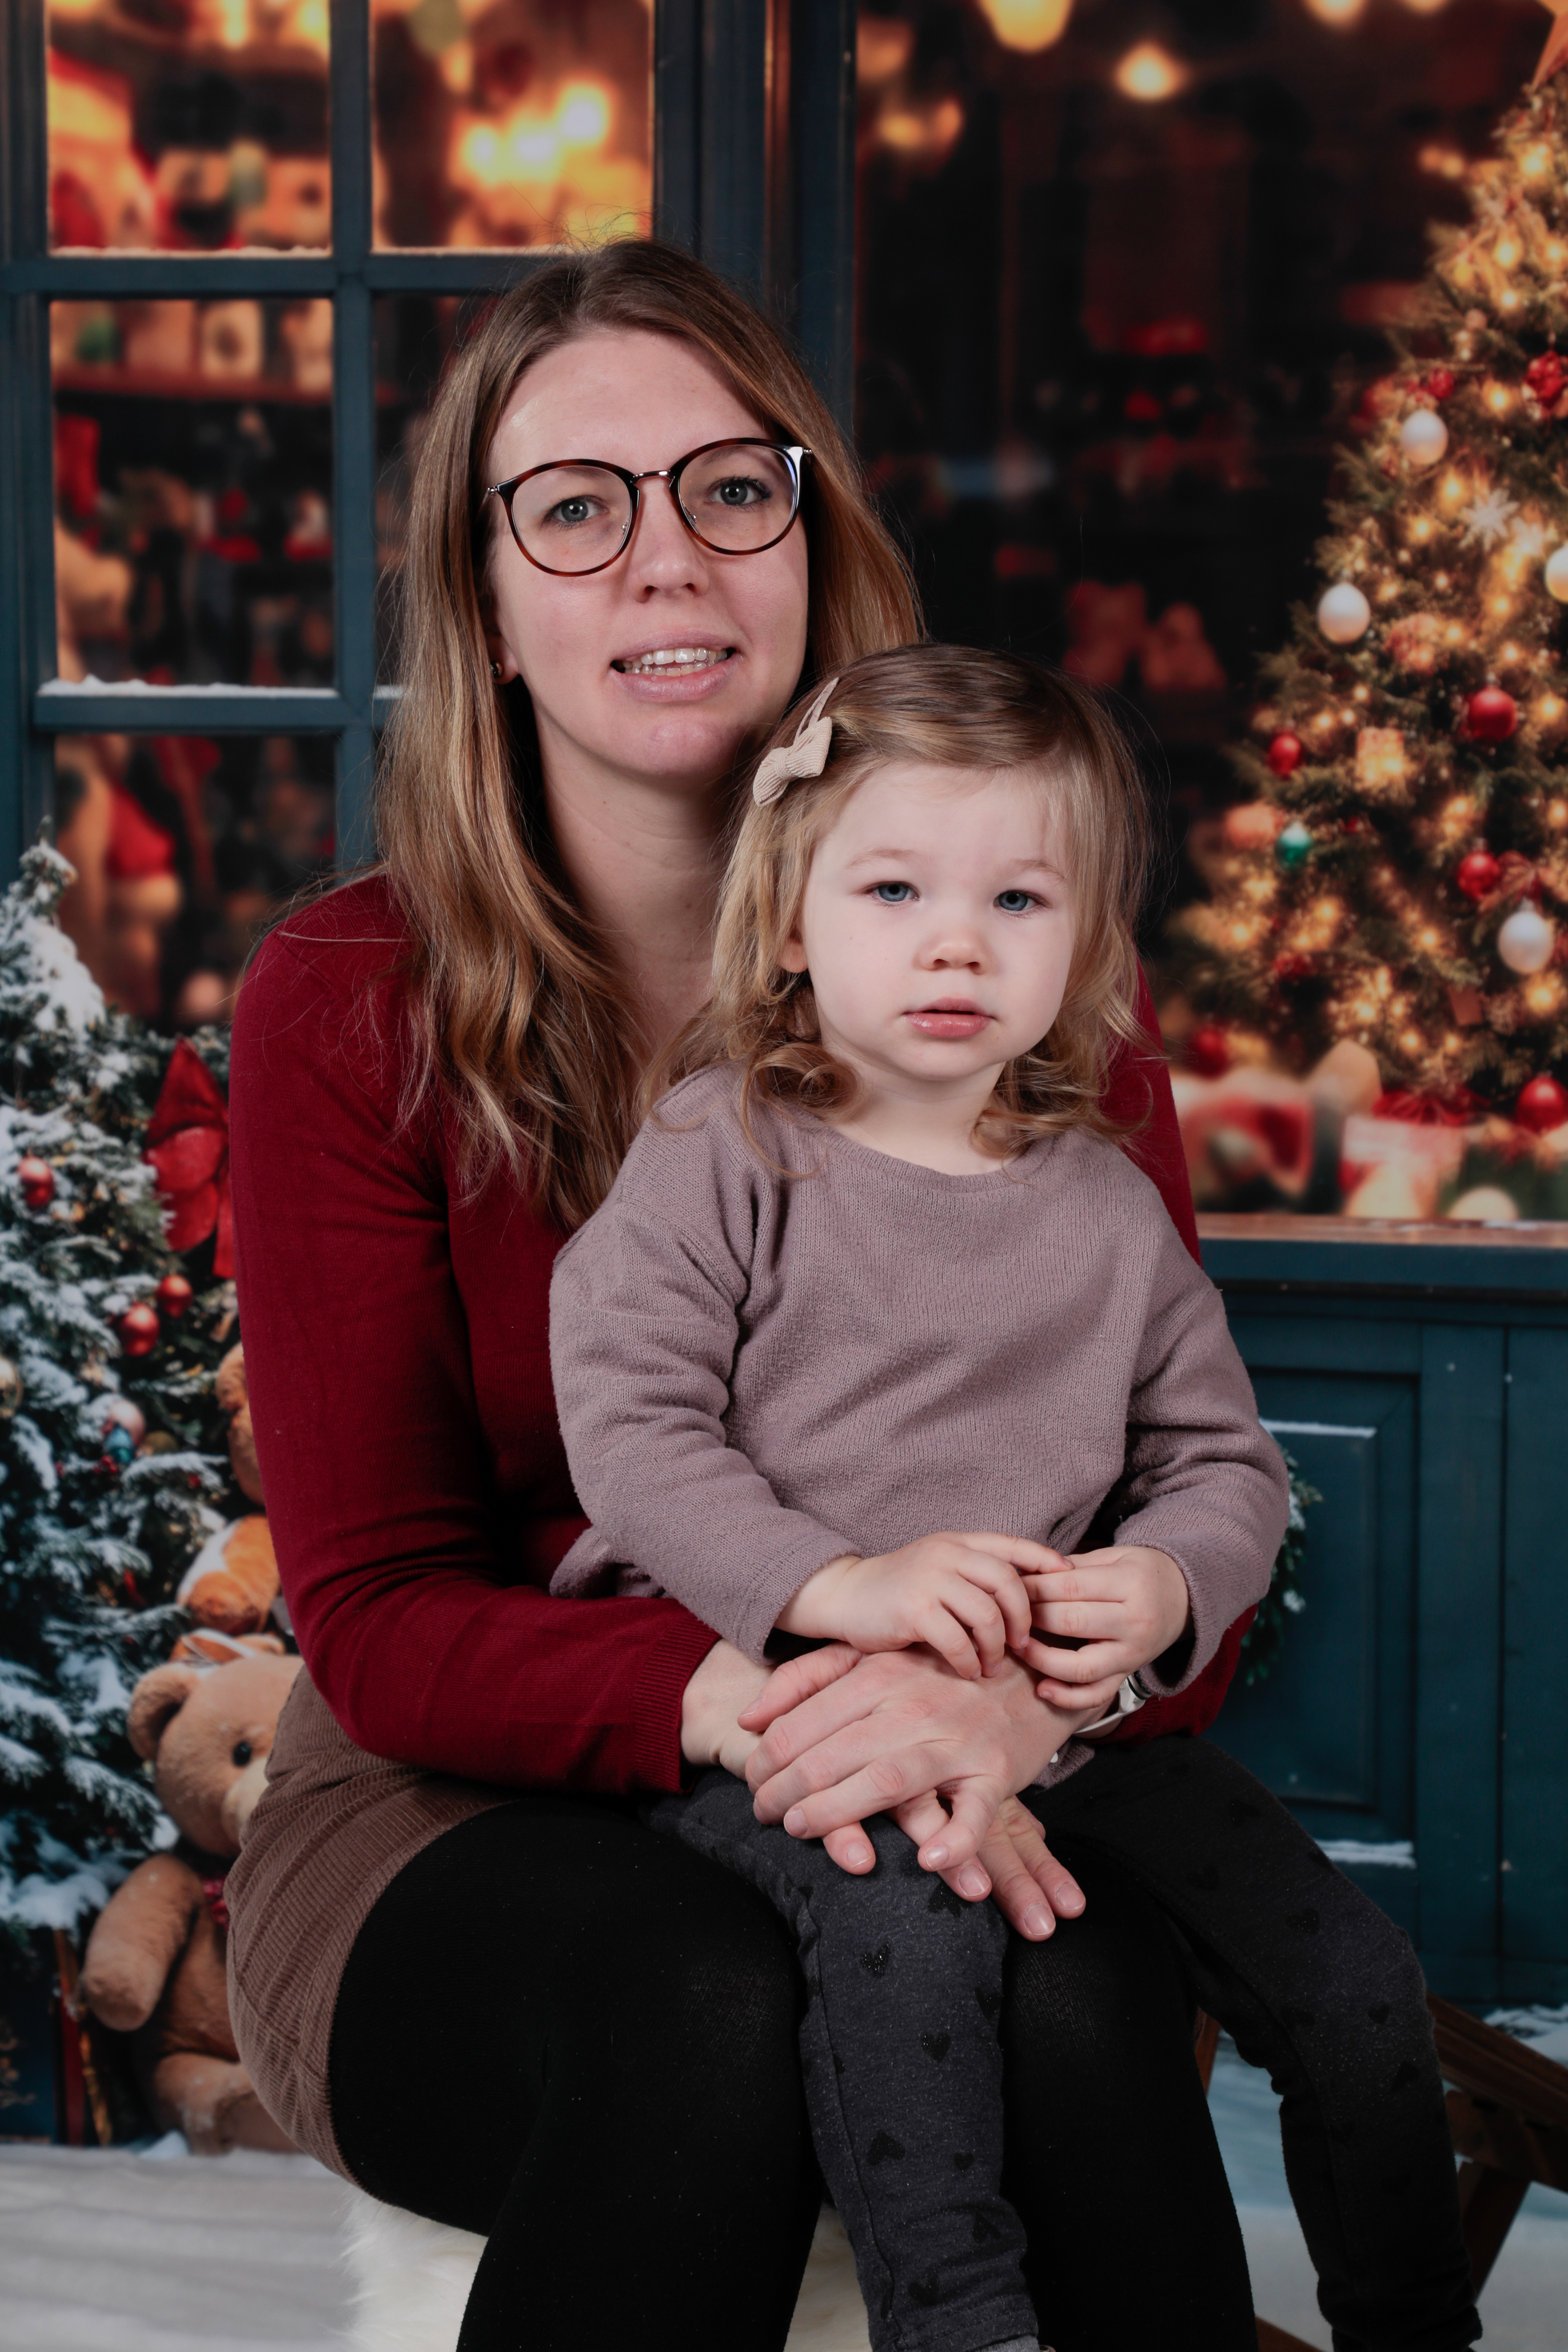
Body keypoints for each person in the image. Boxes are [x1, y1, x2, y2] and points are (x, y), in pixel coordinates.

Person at [228, 241, 1256, 2352]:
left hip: (977, 1761)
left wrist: (1018, 1699)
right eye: (577, 509)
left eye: (731, 487)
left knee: (1068, 2001)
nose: (665, 564)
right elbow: (392, 1613)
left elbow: (1187, 1529)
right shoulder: (349, 1006)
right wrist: (763, 1690)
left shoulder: (1039, 1016)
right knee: (709, 1995)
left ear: (814, 540)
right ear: (487, 605)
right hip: (467, 1806)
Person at [548, 645, 1479, 2352]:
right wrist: (835, 1584)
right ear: (790, 922)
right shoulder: (723, 1150)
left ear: (1087, 941)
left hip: (1065, 1718)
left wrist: (1169, 1586)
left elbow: (1222, 1463)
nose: (958, 940)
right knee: (912, 1944)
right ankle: (960, 2320)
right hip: (789, 1712)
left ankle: (1415, 2324)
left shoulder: (1105, 1208)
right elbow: (631, 1429)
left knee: (1353, 1984)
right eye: (895, 886)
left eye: (1019, 896)